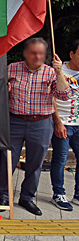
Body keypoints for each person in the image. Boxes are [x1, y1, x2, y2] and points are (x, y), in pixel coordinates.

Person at [0, 38, 71, 215]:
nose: (37, 57)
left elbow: (64, 95)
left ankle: (27, 197)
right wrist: (5, 91)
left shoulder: (51, 72)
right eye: (33, 53)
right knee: (7, 159)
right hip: (15, 120)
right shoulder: (12, 68)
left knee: (35, 162)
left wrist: (59, 72)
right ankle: (3, 195)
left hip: (41, 122)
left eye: (41, 53)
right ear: (25, 53)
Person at [50, 39, 79, 211]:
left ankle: (78, 194)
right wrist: (57, 121)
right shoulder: (58, 70)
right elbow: (50, 97)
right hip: (64, 122)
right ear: (72, 54)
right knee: (60, 159)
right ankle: (59, 193)